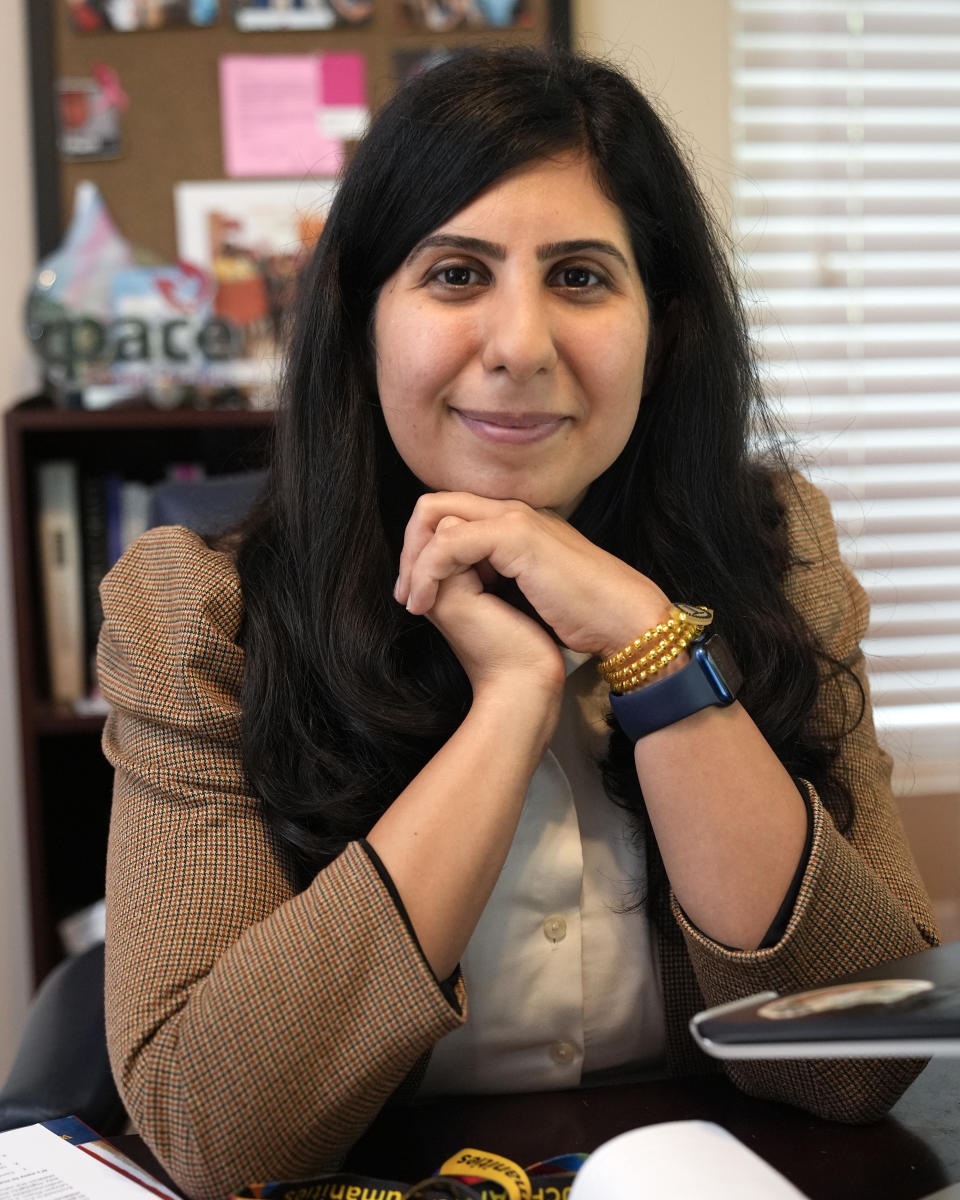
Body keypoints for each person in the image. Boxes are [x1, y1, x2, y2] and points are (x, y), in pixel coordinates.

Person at [97, 47, 939, 1200]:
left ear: (666, 324)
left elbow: (862, 1059)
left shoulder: (780, 560)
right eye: (454, 274)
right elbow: (214, 1133)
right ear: (362, 314)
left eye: (583, 277)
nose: (520, 346)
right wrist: (508, 706)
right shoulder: (199, 613)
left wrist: (651, 644)